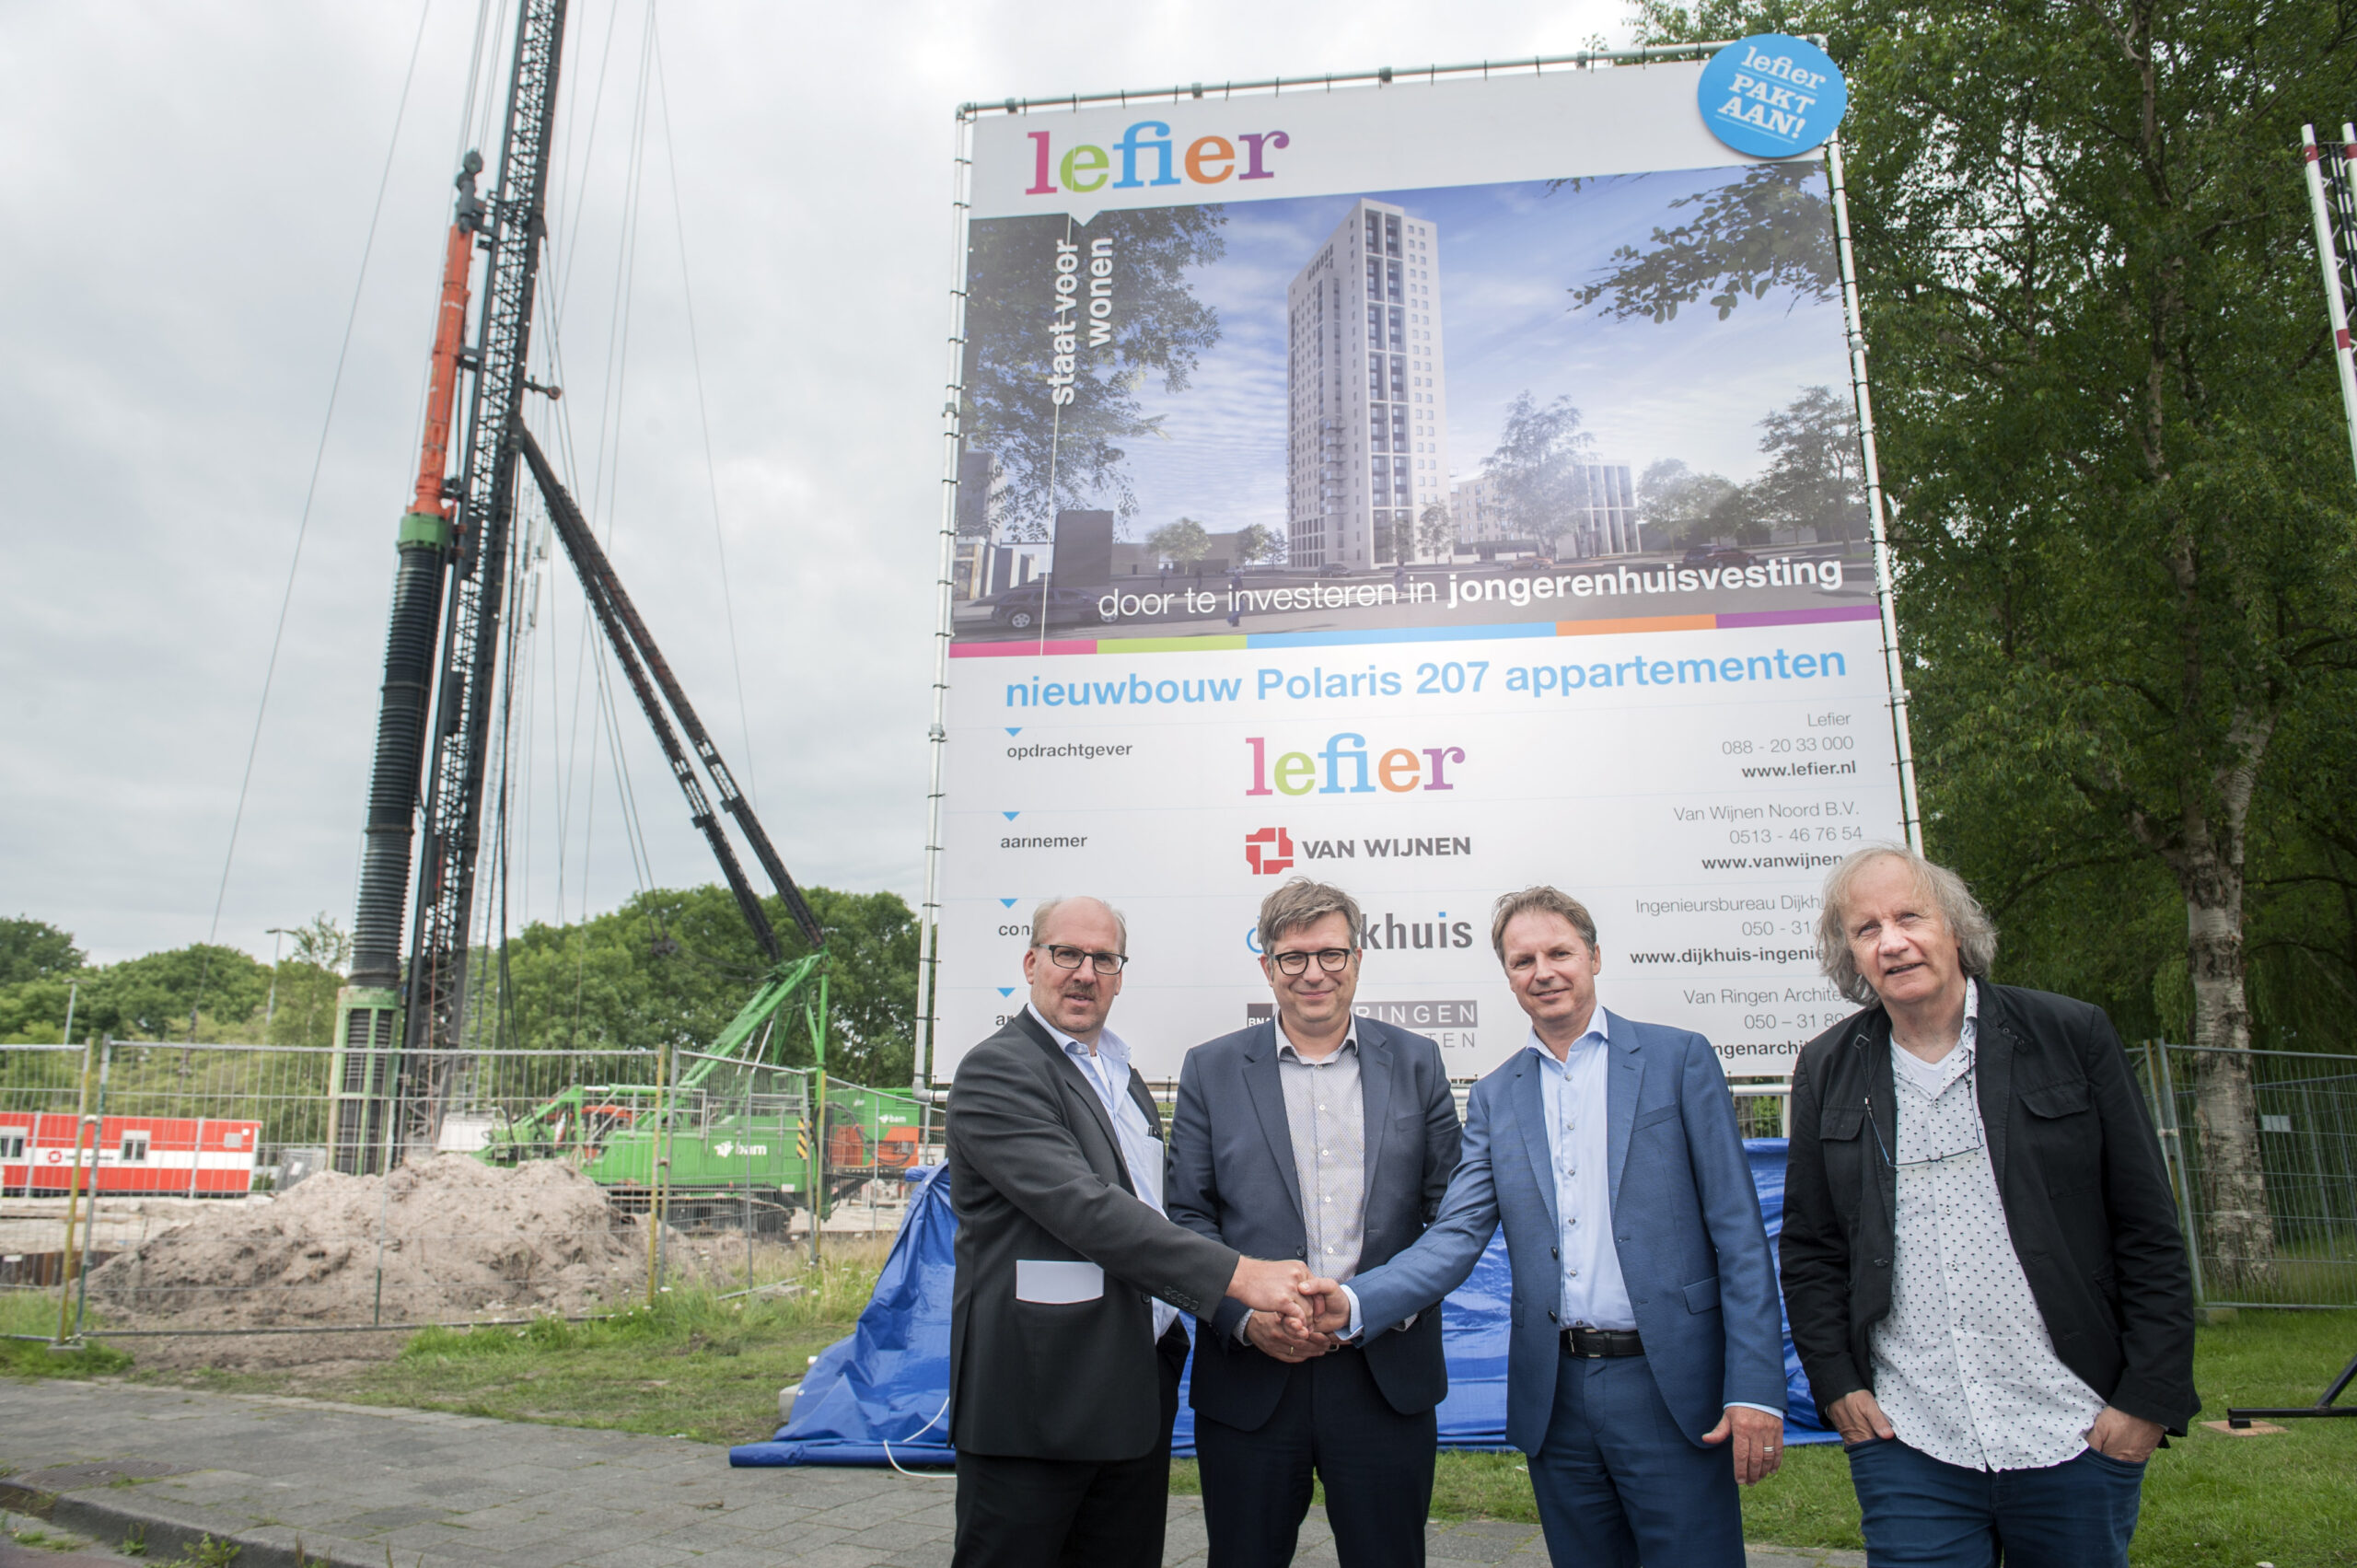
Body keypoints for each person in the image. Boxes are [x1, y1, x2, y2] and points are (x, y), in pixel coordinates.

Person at [1306, 887, 1786, 1568]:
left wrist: (1756, 1387)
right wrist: (1354, 1301)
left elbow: (1739, 1233)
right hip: (1556, 1396)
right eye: (1523, 959)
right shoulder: (1498, 1095)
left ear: (1593, 955)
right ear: (1508, 975)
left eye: (1559, 952)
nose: (1544, 971)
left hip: (1671, 1385)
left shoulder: (1679, 1060)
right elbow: (1455, 1233)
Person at [1781, 846, 2198, 1567]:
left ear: (1956, 929)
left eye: (1910, 916)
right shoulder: (1826, 1067)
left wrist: (2147, 1403)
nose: (1893, 940)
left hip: (2072, 1428)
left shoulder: (2071, 1035)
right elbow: (1812, 1248)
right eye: (1867, 928)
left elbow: (2149, 1230)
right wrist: (1836, 1384)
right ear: (1850, 953)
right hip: (1909, 1436)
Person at [946, 895, 1318, 1568]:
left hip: (1132, 1394)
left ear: (1120, 974)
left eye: (1104, 958)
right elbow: (1086, 1208)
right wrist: (1241, 1275)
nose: (1084, 972)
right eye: (1067, 953)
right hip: (1038, 1400)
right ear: (1032, 962)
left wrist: (1226, 1315)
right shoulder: (998, 1070)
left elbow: (1159, 1206)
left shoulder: (1121, 1074)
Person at [1167, 878, 1464, 1568]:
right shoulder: (1210, 1069)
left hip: (1383, 1373)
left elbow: (1449, 1213)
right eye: (1293, 957)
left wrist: (1379, 1303)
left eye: (1330, 953)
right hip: (1250, 1381)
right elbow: (1186, 1218)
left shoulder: (1417, 1062)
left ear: (1358, 956)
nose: (1314, 973)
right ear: (1267, 965)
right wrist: (1242, 1316)